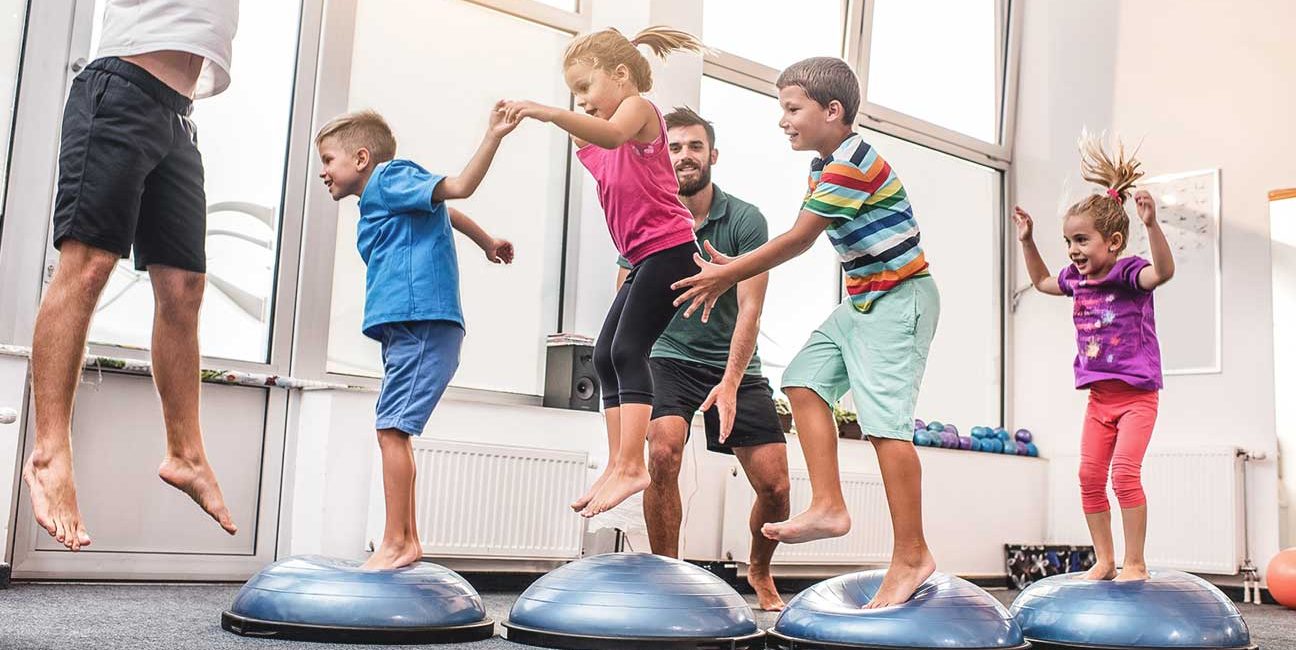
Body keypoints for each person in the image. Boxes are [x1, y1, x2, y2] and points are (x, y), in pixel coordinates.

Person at [672, 57, 941, 607]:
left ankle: (912, 554)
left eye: (792, 109)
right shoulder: (823, 165)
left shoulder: (852, 162)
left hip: (900, 298)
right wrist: (735, 267)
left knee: (886, 426)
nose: (783, 120)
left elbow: (798, 239)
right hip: (866, 297)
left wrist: (729, 271)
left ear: (832, 110)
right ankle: (829, 506)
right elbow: (802, 236)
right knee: (802, 382)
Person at [24, 0, 242, 551]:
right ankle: (50, 454)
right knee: (90, 264)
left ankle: (185, 453)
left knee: (185, 287)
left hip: (178, 115)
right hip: (120, 90)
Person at [500, 26, 706, 518]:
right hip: (643, 257)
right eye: (576, 95)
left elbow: (610, 129)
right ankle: (619, 462)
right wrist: (526, 119)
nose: (583, 102)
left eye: (587, 88)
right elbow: (592, 133)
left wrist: (544, 109)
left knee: (630, 349)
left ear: (620, 75)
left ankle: (633, 463)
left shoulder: (638, 109)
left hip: (672, 248)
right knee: (607, 354)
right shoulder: (601, 137)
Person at [314, 108, 516, 569]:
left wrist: (492, 136)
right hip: (408, 327)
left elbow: (457, 188)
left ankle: (398, 542)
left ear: (361, 158)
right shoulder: (384, 195)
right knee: (393, 431)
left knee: (390, 430)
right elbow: (446, 209)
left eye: (328, 160)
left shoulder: (389, 177)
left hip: (422, 322)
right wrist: (486, 242)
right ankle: (405, 540)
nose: (323, 172)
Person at [624, 107, 789, 611]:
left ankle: (759, 568)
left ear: (712, 155)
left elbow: (751, 308)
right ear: (662, 154)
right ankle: (667, 574)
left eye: (694, 146)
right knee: (664, 452)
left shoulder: (745, 220)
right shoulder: (650, 215)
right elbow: (626, 300)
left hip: (732, 362)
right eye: (674, 147)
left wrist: (733, 382)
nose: (684, 156)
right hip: (668, 355)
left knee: (776, 487)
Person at [1013, 134, 1173, 582]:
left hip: (1138, 397)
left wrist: (1154, 225)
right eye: (1068, 242)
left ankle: (1134, 561)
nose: (1073, 251)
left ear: (1115, 241)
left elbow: (1163, 272)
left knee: (1124, 475)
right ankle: (1104, 559)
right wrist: (1029, 240)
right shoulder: (1076, 280)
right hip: (1099, 401)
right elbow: (1043, 280)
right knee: (1087, 477)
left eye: (1081, 240)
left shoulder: (1127, 273)